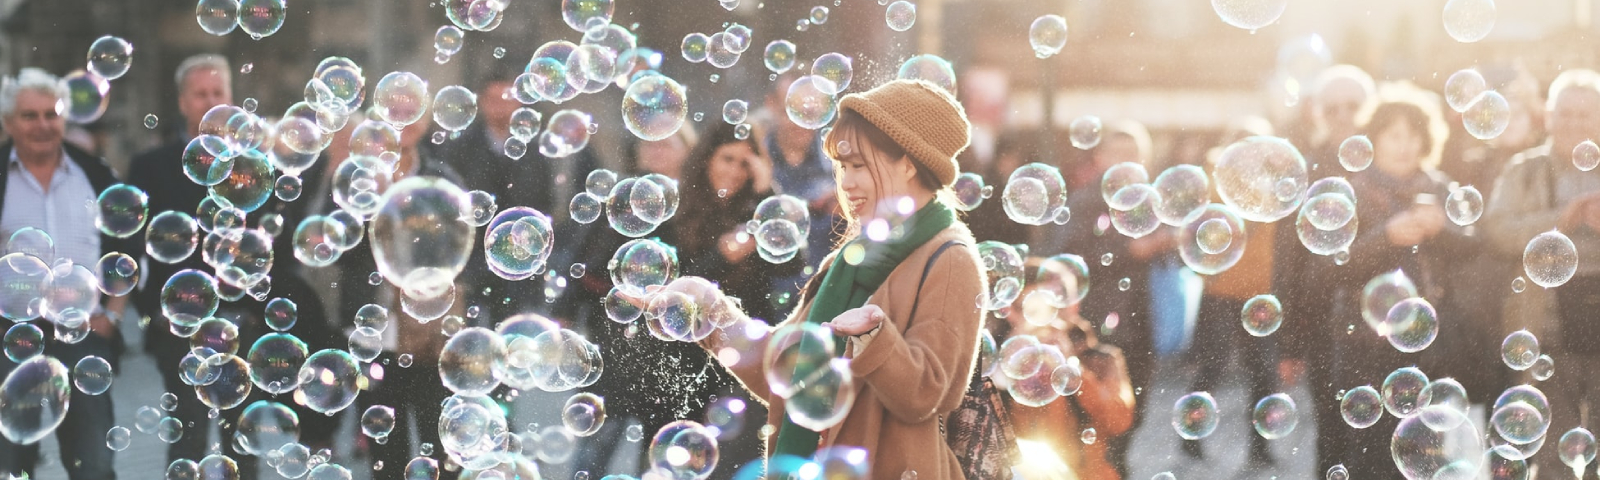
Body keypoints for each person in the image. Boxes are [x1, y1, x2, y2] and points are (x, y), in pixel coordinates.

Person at [646, 79, 983, 479]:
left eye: (859, 165)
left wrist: (875, 337)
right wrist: (708, 308)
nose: (846, 182)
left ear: (907, 162)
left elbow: (927, 393)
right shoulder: (853, 257)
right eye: (842, 167)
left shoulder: (949, 258)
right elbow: (786, 367)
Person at [1322, 86, 1477, 478]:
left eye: (1413, 135)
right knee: (1367, 452)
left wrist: (1442, 231)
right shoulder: (1352, 191)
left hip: (1431, 340)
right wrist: (1384, 237)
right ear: (1374, 138)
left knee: (1426, 451)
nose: (1404, 146)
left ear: (1426, 140)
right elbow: (1326, 268)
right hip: (1364, 344)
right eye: (1394, 135)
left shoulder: (1440, 188)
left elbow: (1475, 246)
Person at [0, 67, 131, 480]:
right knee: (9, 461)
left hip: (83, 334)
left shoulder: (94, 173)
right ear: (8, 122)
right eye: (29, 115)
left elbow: (127, 250)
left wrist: (111, 316)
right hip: (8, 337)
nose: (42, 124)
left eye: (51, 114)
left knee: (93, 461)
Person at [329, 109, 463, 480]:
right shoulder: (357, 180)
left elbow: (463, 249)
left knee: (440, 439)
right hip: (372, 330)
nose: (404, 124)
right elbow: (336, 248)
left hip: (427, 331)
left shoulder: (441, 181)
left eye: (413, 114)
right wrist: (375, 206)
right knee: (385, 445)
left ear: (424, 124)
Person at [1483, 68, 1600, 479]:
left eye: (1586, 115)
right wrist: (1559, 222)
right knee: (1553, 449)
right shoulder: (1524, 169)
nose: (1574, 123)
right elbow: (1496, 231)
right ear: (1548, 117)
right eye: (1565, 113)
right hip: (1544, 323)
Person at [1038, 119, 1163, 478]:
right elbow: (1066, 258)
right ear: (1101, 157)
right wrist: (1129, 249)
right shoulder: (1085, 200)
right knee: (1095, 406)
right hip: (1096, 320)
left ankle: (1118, 463)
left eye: (1134, 155)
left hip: (1139, 318)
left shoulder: (1146, 202)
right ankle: (1102, 467)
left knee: (1135, 401)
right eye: (1118, 154)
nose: (1127, 162)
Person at [1181, 116, 1280, 469]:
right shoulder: (1215, 181)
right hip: (1221, 291)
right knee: (1213, 367)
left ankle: (1261, 447)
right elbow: (1204, 229)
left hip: (1259, 293)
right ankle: (1189, 435)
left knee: (1264, 374)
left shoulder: (1274, 187)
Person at [997, 266, 1134, 480]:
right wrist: (1015, 364)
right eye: (1034, 310)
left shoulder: (1101, 358)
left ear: (1074, 306)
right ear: (1014, 315)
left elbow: (1119, 421)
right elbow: (1008, 433)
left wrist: (1072, 367)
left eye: (1056, 306)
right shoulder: (1005, 362)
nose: (1049, 318)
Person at [764, 73, 842, 316]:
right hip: (766, 306)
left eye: (811, 111)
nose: (802, 121)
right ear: (772, 105)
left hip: (827, 303)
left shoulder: (839, 165)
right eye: (794, 109)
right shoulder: (751, 162)